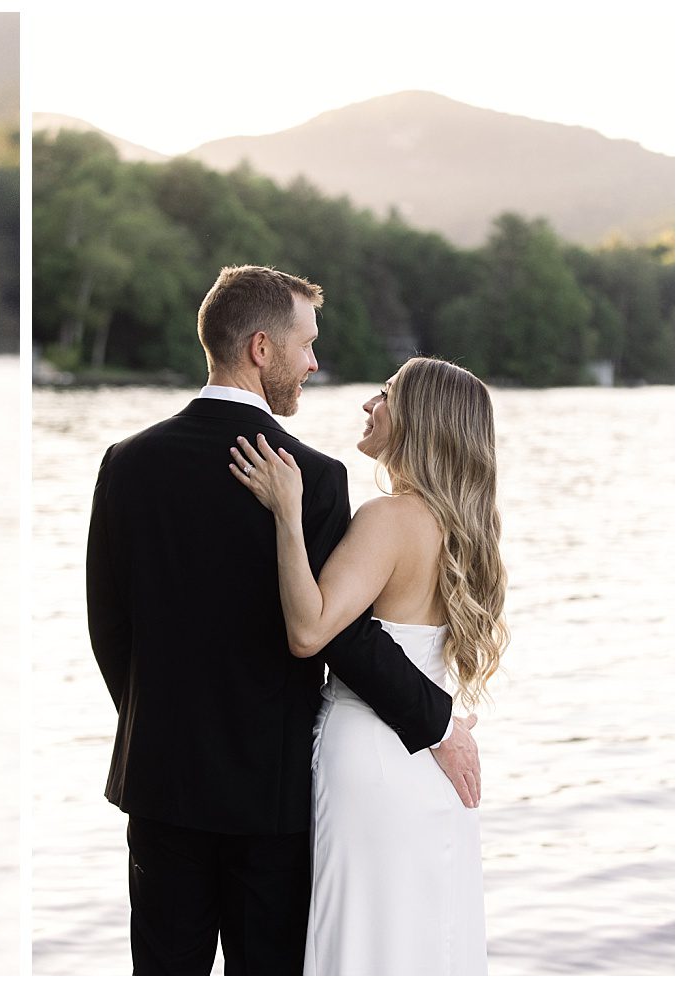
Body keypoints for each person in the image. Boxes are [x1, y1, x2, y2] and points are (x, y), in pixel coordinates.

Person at [83, 265, 480, 974]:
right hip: (273, 796)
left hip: (162, 783)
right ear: (262, 349)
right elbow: (345, 638)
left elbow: (108, 626)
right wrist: (437, 724)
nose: (314, 364)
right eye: (306, 345)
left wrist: (163, 724)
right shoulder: (315, 475)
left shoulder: (128, 462)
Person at [228, 355, 504, 974]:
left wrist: (287, 515)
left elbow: (308, 630)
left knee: (364, 939)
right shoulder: (463, 527)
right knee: (426, 940)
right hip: (428, 767)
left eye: (384, 395)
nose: (368, 406)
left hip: (373, 759)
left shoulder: (391, 519)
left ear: (419, 419)